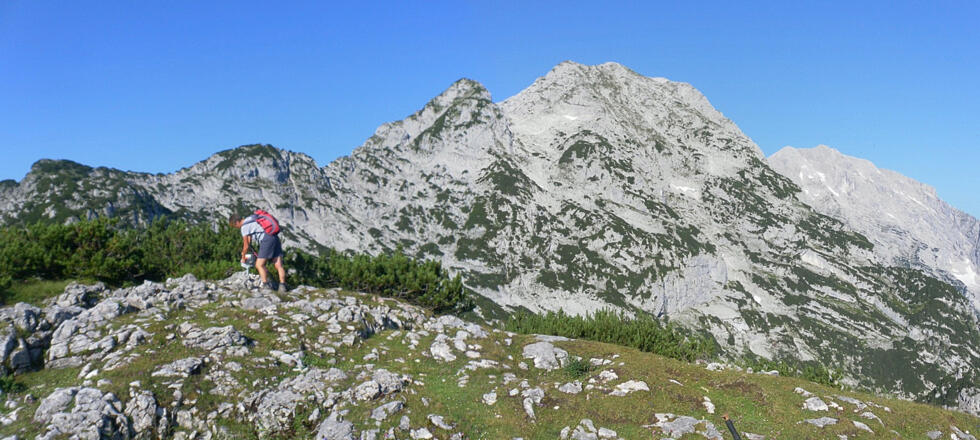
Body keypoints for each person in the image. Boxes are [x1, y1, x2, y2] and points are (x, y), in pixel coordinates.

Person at [229, 211, 286, 292]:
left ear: (237, 222)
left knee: (259, 265)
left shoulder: (244, 227)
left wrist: (243, 256)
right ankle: (282, 286)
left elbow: (246, 245)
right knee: (278, 265)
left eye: (235, 226)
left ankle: (266, 286)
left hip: (266, 239)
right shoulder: (251, 218)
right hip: (275, 237)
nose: (237, 227)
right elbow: (249, 241)